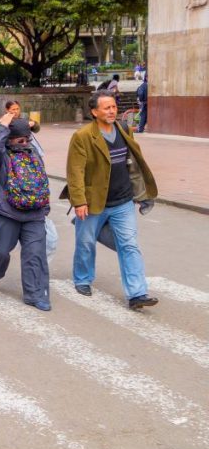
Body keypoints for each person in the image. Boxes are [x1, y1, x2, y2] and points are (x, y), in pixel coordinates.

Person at [64, 90, 159, 310]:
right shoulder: (83, 136)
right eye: (106, 108)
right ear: (94, 111)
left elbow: (131, 164)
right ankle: (83, 278)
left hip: (123, 200)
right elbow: (75, 171)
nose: (112, 111)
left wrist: (139, 193)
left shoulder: (124, 129)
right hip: (93, 202)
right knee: (86, 243)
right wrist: (79, 201)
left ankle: (137, 293)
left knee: (129, 245)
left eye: (114, 107)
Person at [0, 114, 52, 310]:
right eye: (19, 139)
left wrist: (29, 126)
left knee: (35, 255)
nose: (25, 143)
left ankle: (35, 294)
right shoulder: (2, 156)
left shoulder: (33, 153)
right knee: (2, 251)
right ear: (9, 139)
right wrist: (1, 125)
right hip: (7, 212)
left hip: (35, 213)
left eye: (27, 139)